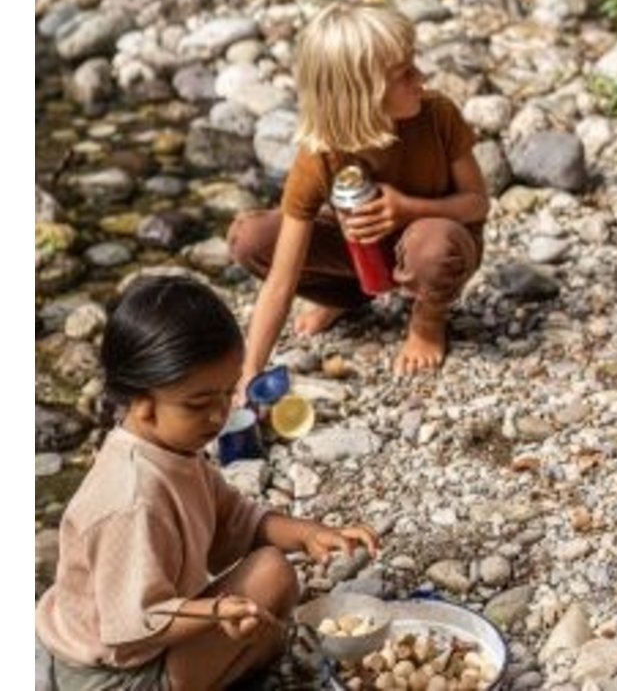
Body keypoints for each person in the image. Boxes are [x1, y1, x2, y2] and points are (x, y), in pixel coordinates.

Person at [35, 274, 379, 691]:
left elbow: (234, 519)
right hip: (114, 673)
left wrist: (310, 535)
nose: (219, 416)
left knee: (273, 573)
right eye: (199, 403)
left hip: (149, 636)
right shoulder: (131, 500)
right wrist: (216, 613)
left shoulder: (174, 450)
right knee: (264, 599)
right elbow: (132, 625)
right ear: (142, 405)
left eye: (226, 393)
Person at [227, 2, 489, 397]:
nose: (421, 78)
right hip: (364, 254)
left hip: (439, 243)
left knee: (433, 248)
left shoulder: (437, 115)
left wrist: (408, 208)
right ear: (363, 95)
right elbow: (282, 279)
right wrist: (250, 371)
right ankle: (348, 297)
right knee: (251, 239)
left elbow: (477, 203)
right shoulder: (321, 156)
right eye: (405, 74)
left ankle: (426, 321)